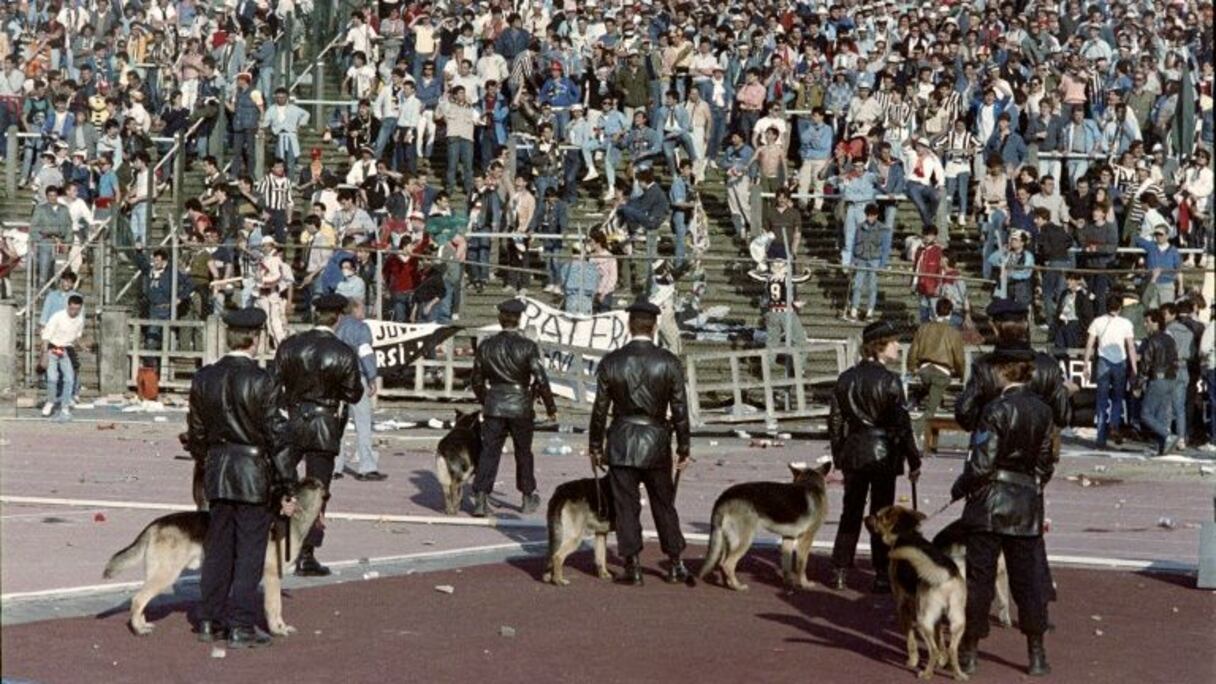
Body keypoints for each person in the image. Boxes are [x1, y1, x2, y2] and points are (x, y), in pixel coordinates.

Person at [187, 308, 297, 649]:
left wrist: (209, 463)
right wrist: (287, 485)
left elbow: (196, 433)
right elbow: (278, 437)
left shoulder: (204, 377)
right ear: (256, 338)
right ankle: (240, 623)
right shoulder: (264, 381)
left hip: (218, 469)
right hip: (253, 472)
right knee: (249, 552)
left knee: (217, 548)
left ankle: (209, 617)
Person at [953, 355, 1055, 677]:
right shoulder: (1043, 411)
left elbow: (981, 463)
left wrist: (960, 486)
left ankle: (970, 650)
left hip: (990, 502)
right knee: (1027, 582)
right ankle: (1036, 652)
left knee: (979, 579)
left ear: (1001, 373)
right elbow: (1045, 463)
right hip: (1025, 502)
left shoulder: (995, 409)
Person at [588, 300, 692, 586]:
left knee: (626, 507)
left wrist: (595, 446)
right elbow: (680, 410)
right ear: (655, 325)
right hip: (657, 440)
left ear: (628, 325)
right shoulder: (669, 361)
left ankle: (632, 564)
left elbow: (599, 410)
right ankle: (675, 561)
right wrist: (684, 447)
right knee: (664, 505)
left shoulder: (612, 361)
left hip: (622, 439)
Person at [274, 294, 364, 577]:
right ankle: (306, 553)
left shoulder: (290, 346)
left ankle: (275, 539)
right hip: (325, 421)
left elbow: (275, 383)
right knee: (317, 490)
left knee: (279, 479)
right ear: (338, 318)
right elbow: (354, 392)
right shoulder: (343, 351)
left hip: (294, 415)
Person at [828, 320, 921, 593]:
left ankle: (840, 568)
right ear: (879, 347)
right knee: (882, 515)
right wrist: (913, 459)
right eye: (893, 342)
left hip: (855, 450)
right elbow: (902, 426)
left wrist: (839, 455)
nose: (898, 347)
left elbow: (834, 421)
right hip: (883, 452)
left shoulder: (846, 378)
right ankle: (881, 573)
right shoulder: (890, 381)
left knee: (851, 512)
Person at [468, 299, 557, 517]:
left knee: (489, 452)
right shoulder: (528, 346)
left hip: (495, 403)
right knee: (523, 452)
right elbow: (541, 378)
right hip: (520, 404)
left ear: (500, 319)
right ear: (519, 319)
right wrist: (550, 407)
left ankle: (480, 497)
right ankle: (527, 497)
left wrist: (486, 400)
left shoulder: (486, 345)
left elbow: (476, 380)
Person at [333, 296, 385, 482]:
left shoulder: (336, 327)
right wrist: (372, 377)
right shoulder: (361, 328)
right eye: (362, 308)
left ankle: (335, 467)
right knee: (362, 422)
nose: (364, 312)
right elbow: (365, 353)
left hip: (336, 378)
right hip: (356, 377)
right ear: (354, 309)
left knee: (338, 424)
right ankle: (366, 467)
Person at [907, 299, 966, 445]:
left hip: (924, 369)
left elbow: (913, 350)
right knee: (931, 409)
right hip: (942, 372)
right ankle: (915, 430)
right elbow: (959, 359)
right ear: (950, 313)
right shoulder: (954, 333)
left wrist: (912, 368)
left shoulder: (923, 328)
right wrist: (961, 375)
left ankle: (913, 401)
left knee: (928, 390)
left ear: (936, 310)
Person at [1083, 295, 1138, 448]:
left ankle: (1100, 436)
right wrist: (1134, 368)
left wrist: (1085, 365)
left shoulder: (1097, 321)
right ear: (1120, 307)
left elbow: (1090, 344)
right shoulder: (1126, 323)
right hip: (1120, 361)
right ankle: (1114, 424)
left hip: (1103, 361)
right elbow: (1131, 347)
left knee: (1101, 399)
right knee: (1118, 397)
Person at [1139, 309, 1181, 456]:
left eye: (1148, 321)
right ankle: (1162, 447)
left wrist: (1139, 383)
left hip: (1157, 379)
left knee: (1145, 414)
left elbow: (1146, 363)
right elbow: (1176, 359)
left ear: (1156, 322)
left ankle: (1168, 436)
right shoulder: (1170, 339)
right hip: (1171, 378)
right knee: (1161, 415)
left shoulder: (1152, 340)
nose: (1145, 325)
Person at [39, 294, 85, 421]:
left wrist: (82, 345)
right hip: (53, 348)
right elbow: (46, 335)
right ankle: (50, 402)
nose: (74, 312)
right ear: (67, 306)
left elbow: (77, 337)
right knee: (52, 378)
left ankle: (65, 406)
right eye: (72, 309)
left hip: (66, 350)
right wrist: (44, 354)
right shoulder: (58, 316)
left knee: (69, 379)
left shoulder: (80, 319)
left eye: (77, 309)